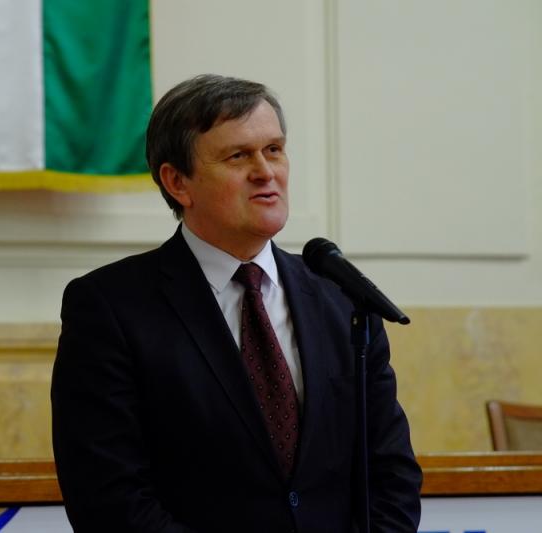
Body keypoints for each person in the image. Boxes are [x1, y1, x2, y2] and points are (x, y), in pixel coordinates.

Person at [51, 74, 422, 532]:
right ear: (177, 182)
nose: (266, 172)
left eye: (274, 150)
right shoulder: (110, 308)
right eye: (238, 156)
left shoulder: (342, 298)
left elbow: (391, 474)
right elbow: (109, 498)